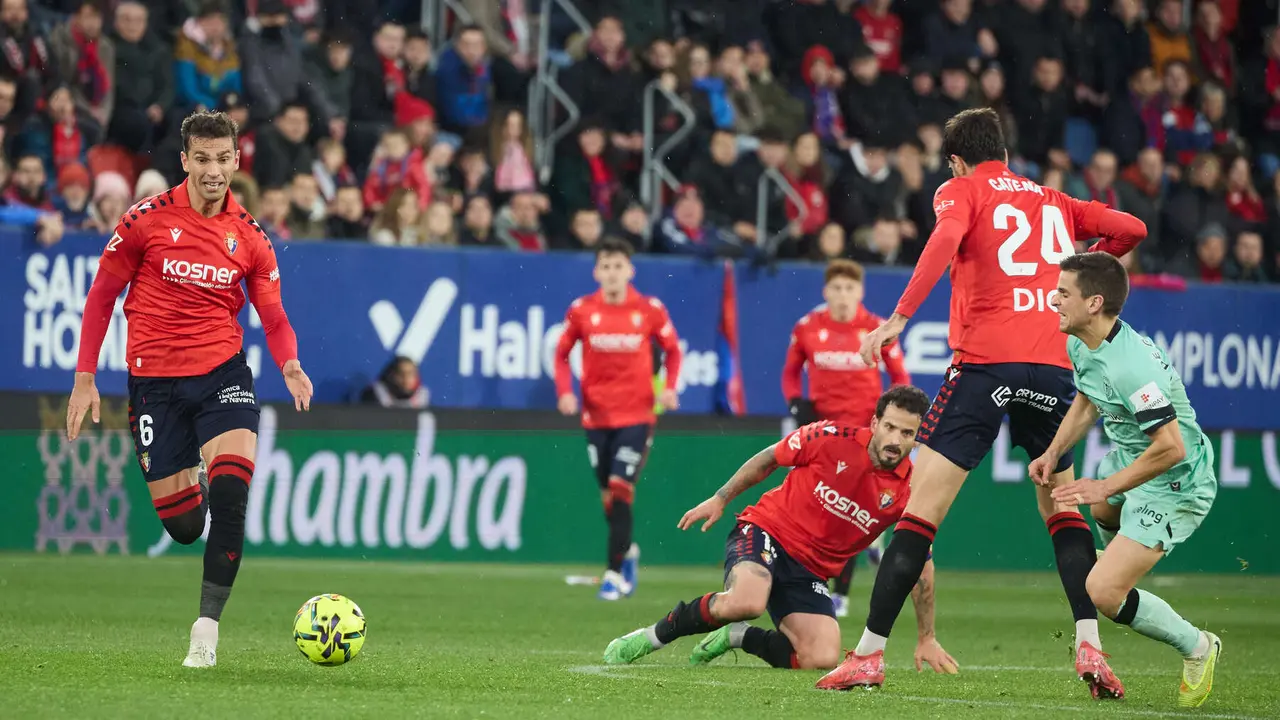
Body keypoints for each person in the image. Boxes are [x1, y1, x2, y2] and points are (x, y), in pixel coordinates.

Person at [825, 107, 1147, 695]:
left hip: (985, 364)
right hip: (1053, 367)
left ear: (955, 159)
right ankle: (1089, 646)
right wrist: (1072, 267)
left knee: (920, 512)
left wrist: (897, 317)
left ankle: (869, 655)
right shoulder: (1056, 200)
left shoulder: (961, 189)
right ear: (1003, 149)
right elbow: (1133, 230)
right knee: (1062, 508)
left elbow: (947, 238)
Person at [65, 110, 313, 669]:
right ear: (184, 160)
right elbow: (102, 297)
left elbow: (272, 316)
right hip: (154, 384)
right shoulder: (143, 221)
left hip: (223, 376)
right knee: (182, 526)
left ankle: (205, 633)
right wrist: (85, 378)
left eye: (223, 159)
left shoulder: (250, 237)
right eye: (202, 158)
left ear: (236, 160)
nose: (213, 170)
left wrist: (289, 363)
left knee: (231, 497)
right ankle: (191, 478)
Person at [602, 387, 958, 680]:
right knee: (747, 602)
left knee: (820, 654)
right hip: (766, 531)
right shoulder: (830, 438)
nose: (895, 440)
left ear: (917, 439)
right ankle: (652, 637)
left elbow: (917, 564)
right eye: (890, 427)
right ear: (875, 422)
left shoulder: (912, 491)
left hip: (811, 572)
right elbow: (770, 457)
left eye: (907, 433)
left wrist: (926, 636)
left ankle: (739, 636)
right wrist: (721, 498)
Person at [1030, 252, 1221, 708]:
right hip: (1133, 458)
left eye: (1063, 293)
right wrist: (1054, 451)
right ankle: (1117, 552)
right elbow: (1087, 400)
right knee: (1099, 509)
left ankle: (1197, 645)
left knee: (1102, 592)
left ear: (1094, 303)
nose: (1053, 299)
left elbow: (1172, 446)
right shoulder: (1082, 342)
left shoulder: (1133, 367)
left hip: (1176, 481)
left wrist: (1107, 485)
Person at [554, 238, 682, 601]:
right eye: (605, 266)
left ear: (630, 270)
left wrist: (669, 388)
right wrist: (565, 391)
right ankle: (627, 552)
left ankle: (612, 575)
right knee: (608, 494)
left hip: (637, 415)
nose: (612, 273)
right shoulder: (582, 310)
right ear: (597, 272)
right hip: (595, 416)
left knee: (621, 486)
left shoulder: (649, 310)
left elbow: (673, 350)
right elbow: (561, 353)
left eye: (618, 266)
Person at [781, 258, 910, 617]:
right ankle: (819, 575)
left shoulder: (875, 329)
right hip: (823, 434)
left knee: (848, 507)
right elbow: (790, 374)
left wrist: (893, 424)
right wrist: (795, 404)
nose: (842, 295)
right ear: (826, 291)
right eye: (836, 288)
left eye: (849, 288)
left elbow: (900, 376)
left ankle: (841, 592)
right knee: (820, 506)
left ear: (860, 291)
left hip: (864, 435)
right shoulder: (807, 327)